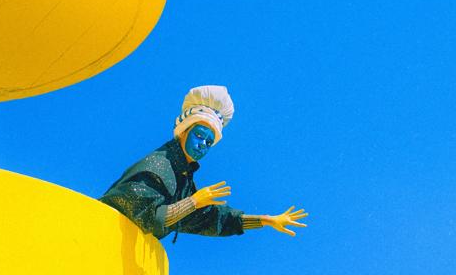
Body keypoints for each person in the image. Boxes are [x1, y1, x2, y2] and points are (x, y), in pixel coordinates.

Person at [99, 85, 308, 242]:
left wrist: (266, 220)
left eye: (209, 142)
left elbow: (212, 219)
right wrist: (194, 202)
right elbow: (147, 218)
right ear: (183, 132)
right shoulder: (157, 167)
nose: (203, 145)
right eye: (199, 135)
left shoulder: (182, 178)